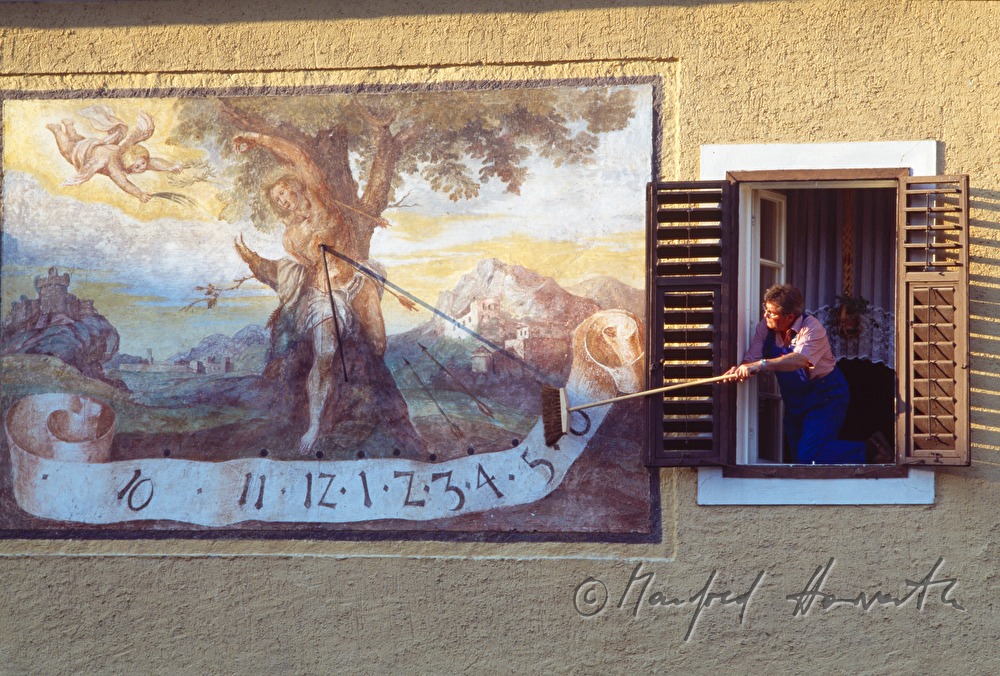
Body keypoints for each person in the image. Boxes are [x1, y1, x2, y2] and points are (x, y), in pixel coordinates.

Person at [234, 132, 387, 454]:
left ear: (297, 186)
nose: (283, 200)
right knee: (326, 353)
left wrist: (257, 138)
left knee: (377, 343)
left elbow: (300, 157)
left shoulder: (323, 205)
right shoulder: (291, 236)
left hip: (357, 282)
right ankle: (316, 424)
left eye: (285, 192)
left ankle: (369, 411)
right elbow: (306, 269)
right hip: (324, 295)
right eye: (277, 200)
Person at [727, 284, 891, 464]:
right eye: (765, 309)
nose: (765, 315)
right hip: (795, 401)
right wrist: (740, 369)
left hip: (826, 396)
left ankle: (871, 448)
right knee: (798, 457)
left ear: (789, 317)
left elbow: (800, 359)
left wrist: (762, 364)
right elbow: (752, 358)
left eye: (771, 313)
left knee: (809, 455)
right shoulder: (764, 328)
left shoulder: (812, 327)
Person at [47, 105, 182, 203]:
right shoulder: (113, 167)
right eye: (138, 166)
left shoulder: (127, 150)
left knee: (77, 140)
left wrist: (170, 166)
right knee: (66, 150)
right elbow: (124, 184)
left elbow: (154, 162)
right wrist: (139, 194)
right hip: (84, 154)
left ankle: (69, 125)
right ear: (129, 165)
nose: (142, 167)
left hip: (94, 145)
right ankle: (58, 130)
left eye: (142, 163)